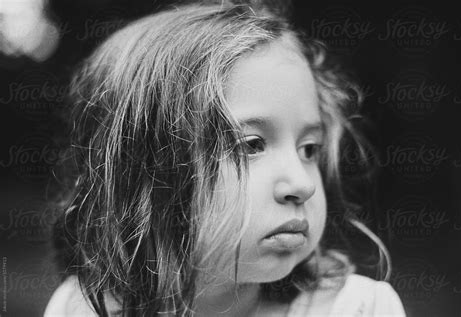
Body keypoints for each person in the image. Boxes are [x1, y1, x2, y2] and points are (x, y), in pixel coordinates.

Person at [44, 1, 406, 316]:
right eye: (251, 145)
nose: (302, 183)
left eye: (309, 149)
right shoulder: (78, 309)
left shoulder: (358, 309)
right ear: (140, 171)